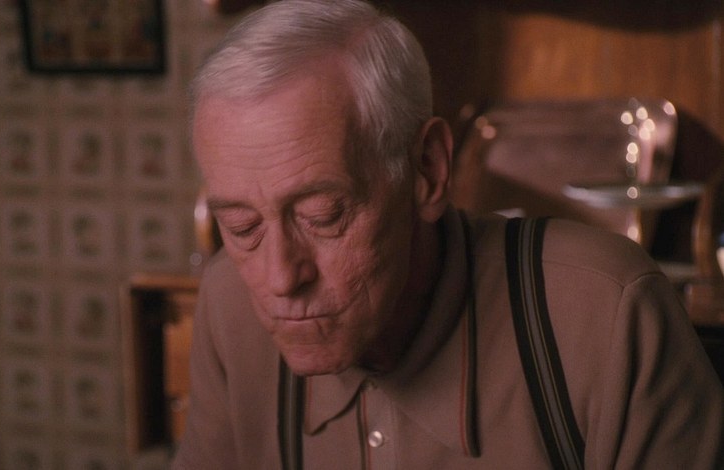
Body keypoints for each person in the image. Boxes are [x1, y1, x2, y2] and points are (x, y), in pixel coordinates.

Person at [174, 0, 724, 468]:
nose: (279, 278)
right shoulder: (228, 306)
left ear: (429, 170)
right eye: (242, 227)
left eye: (322, 216)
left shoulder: (605, 311)